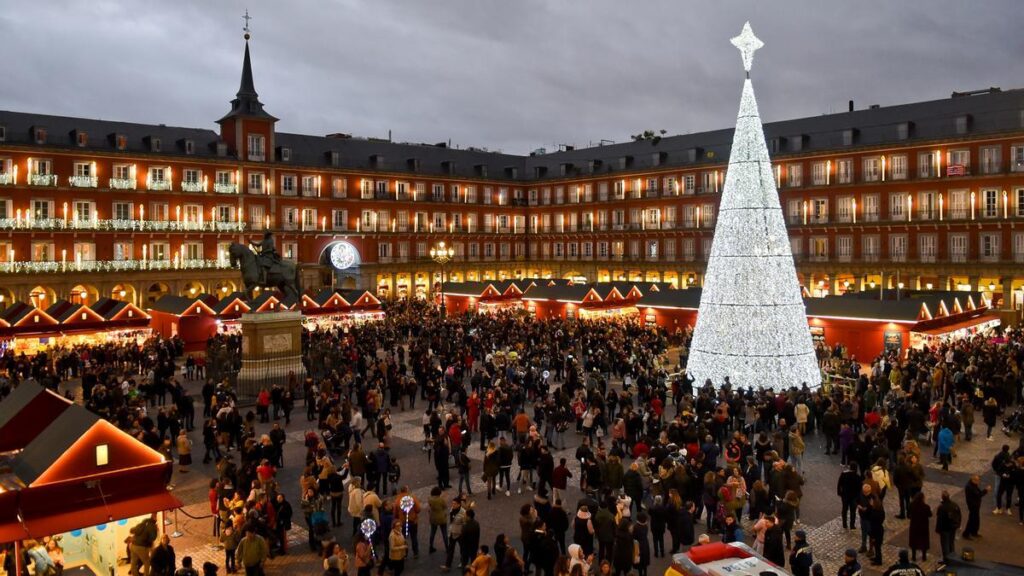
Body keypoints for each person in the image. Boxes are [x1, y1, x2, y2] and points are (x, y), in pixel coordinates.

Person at [935, 491, 961, 565]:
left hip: (944, 529)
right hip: (953, 527)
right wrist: (958, 525)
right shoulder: (955, 505)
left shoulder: (942, 507)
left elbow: (939, 520)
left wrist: (938, 529)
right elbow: (959, 515)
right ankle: (953, 557)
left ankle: (946, 560)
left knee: (945, 545)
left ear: (942, 498)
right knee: (951, 542)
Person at [962, 474, 991, 539]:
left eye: (978, 480)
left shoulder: (973, 485)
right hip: (973, 505)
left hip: (976, 504)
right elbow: (979, 494)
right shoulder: (970, 487)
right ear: (973, 480)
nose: (978, 482)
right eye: (977, 480)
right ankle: (966, 533)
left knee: (976, 519)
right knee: (972, 519)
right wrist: (986, 490)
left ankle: (974, 532)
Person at [907, 492, 931, 562]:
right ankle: (924, 556)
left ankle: (914, 556)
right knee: (924, 541)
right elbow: (930, 515)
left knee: (914, 540)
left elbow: (908, 515)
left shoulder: (911, 505)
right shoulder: (926, 507)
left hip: (914, 526)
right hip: (923, 526)